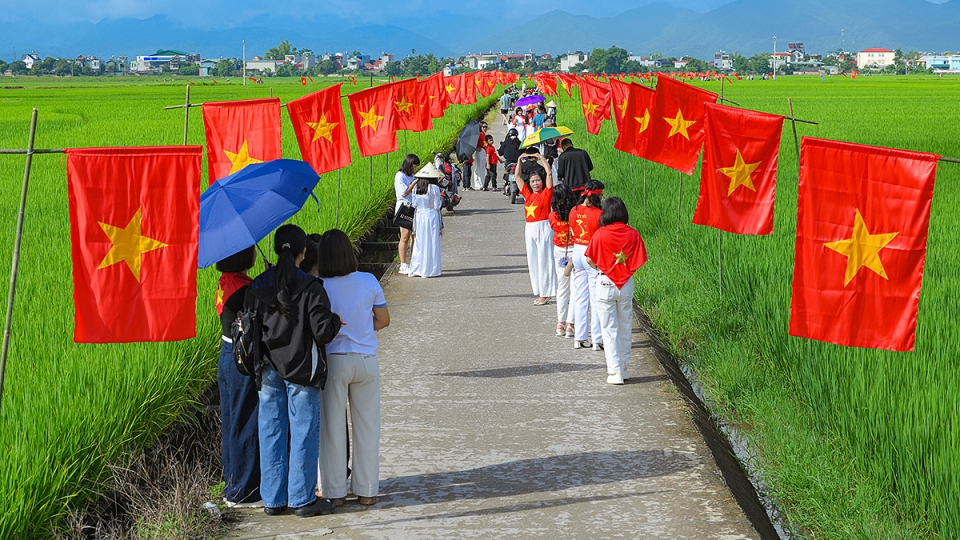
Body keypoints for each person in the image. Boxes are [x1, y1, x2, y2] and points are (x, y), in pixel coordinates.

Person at [249, 224, 342, 518]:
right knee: (303, 431)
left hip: (267, 370)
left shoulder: (258, 285)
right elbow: (323, 331)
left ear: (278, 250)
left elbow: (252, 328)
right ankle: (302, 499)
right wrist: (336, 320)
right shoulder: (312, 287)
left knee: (270, 432)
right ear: (304, 251)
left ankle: (273, 500)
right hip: (302, 369)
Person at [316, 229, 390, 506]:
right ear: (350, 253)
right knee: (367, 427)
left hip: (333, 361)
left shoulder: (319, 284)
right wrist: (361, 330)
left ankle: (334, 493)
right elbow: (383, 320)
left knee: (333, 428)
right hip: (366, 361)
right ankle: (368, 490)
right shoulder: (368, 280)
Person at [216, 246, 262, 508]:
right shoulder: (245, 289)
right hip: (240, 359)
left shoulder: (227, 282)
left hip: (226, 354)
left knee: (232, 420)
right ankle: (243, 491)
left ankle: (231, 483)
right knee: (245, 420)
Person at [585, 197, 648, 385]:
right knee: (625, 328)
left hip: (605, 283)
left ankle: (615, 372)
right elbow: (640, 258)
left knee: (609, 329)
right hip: (626, 284)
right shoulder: (633, 234)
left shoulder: (600, 234)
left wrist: (603, 268)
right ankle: (625, 368)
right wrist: (625, 270)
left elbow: (589, 259)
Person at [568, 180, 604, 350]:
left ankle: (579, 337)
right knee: (596, 297)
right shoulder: (599, 213)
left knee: (581, 297)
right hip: (592, 253)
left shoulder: (574, 211)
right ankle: (597, 338)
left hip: (577, 252)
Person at [519, 152, 556, 305]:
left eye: (538, 181)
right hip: (530, 229)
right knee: (533, 261)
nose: (535, 183)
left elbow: (548, 173)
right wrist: (520, 160)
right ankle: (540, 290)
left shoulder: (546, 193)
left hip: (544, 228)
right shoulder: (527, 194)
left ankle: (546, 293)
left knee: (544, 260)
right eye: (533, 181)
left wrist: (541, 158)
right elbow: (517, 178)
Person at [404, 163, 443, 278]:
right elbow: (436, 205)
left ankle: (417, 267)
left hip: (420, 216)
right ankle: (430, 269)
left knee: (420, 242)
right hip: (431, 216)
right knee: (431, 241)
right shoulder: (434, 188)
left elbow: (414, 204)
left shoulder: (416, 188)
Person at [549, 184, 578, 338]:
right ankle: (571, 325)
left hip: (560, 251)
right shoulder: (576, 213)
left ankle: (560, 322)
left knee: (562, 287)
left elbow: (553, 227)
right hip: (576, 251)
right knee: (575, 288)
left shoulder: (552, 215)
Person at [394, 154, 420, 275]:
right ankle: (403, 264)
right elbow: (404, 193)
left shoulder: (411, 176)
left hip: (413, 207)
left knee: (414, 235)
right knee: (405, 236)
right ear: (409, 165)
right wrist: (414, 183)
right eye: (414, 166)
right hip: (404, 207)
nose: (415, 169)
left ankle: (414, 260)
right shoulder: (400, 176)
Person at [472, 122, 488, 190]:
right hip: (479, 151)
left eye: (486, 127)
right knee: (478, 167)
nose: (485, 128)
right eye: (483, 127)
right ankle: (477, 183)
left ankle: (482, 183)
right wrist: (475, 148)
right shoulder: (479, 135)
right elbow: (473, 142)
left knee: (482, 168)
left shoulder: (484, 135)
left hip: (484, 151)